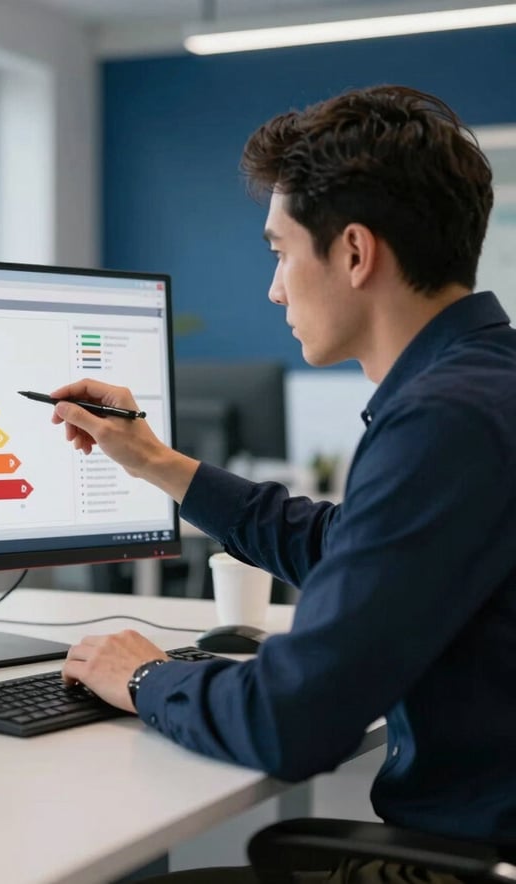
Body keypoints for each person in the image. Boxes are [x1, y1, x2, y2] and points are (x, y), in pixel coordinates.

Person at [51, 85, 516, 880]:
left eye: (279, 251)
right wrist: (156, 461)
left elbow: (290, 720)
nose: (274, 289)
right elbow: (351, 545)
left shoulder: (444, 420)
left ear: (355, 253)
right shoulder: (486, 385)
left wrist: (145, 676)